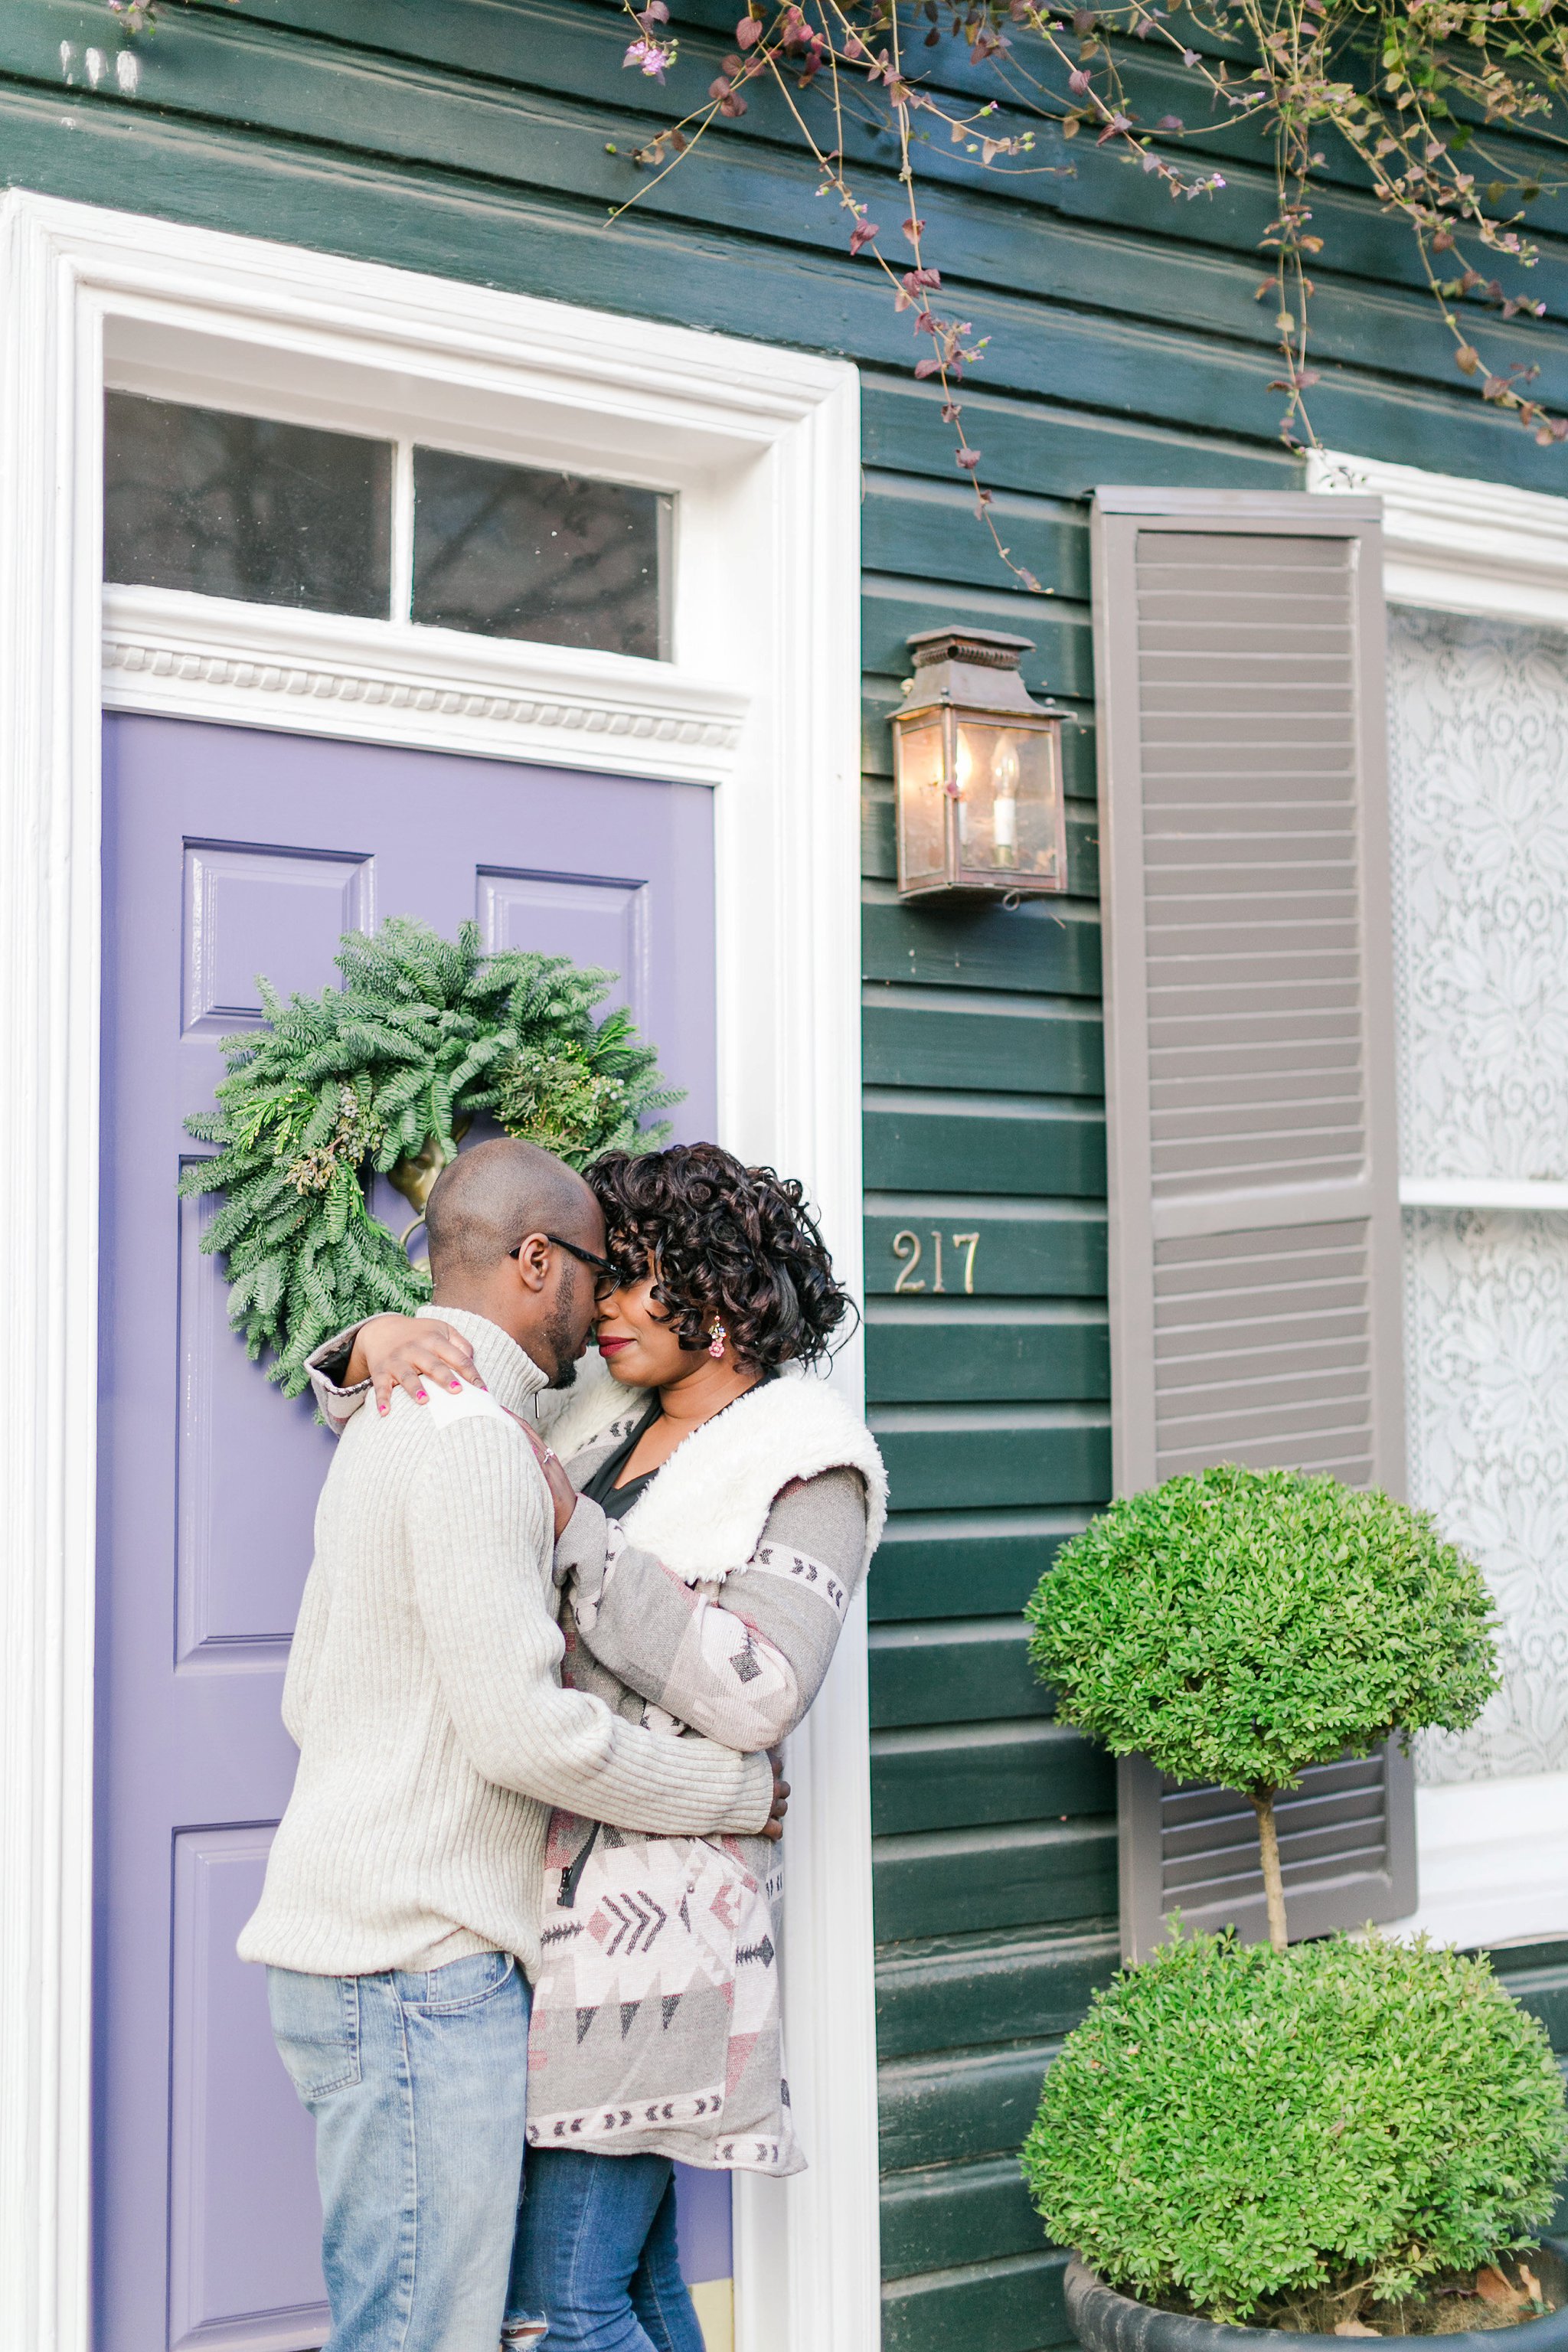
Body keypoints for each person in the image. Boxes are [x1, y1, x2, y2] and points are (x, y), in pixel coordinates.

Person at [313, 1141, 887, 2352]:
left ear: (727, 1298)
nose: (608, 1307)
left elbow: (763, 1688)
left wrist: (583, 1536)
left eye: (641, 1281)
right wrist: (367, 1347)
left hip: (656, 1928)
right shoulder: (594, 1412)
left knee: (561, 2310)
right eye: (605, 1278)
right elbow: (445, 1418)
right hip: (531, 1906)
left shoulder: (809, 1459)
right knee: (632, 2290)